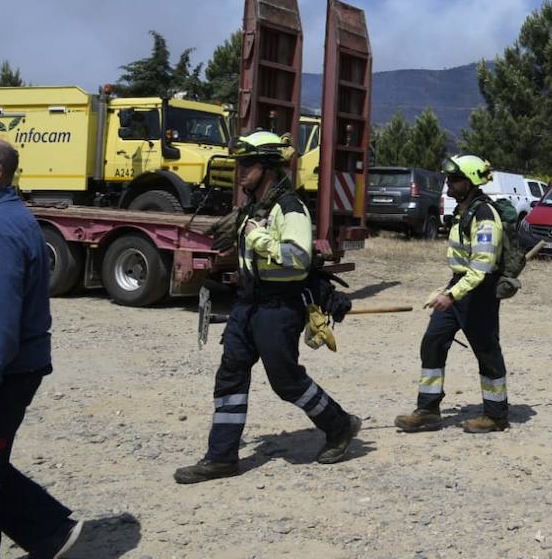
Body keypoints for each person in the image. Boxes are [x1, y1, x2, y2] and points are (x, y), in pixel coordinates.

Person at [174, 130, 361, 483]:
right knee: (230, 374)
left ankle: (339, 426)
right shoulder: (253, 207)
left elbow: (299, 259)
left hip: (279, 307)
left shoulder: (291, 209)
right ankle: (221, 457)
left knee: (286, 382)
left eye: (248, 163)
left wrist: (260, 240)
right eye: (239, 163)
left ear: (268, 167)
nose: (240, 169)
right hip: (248, 304)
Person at [0, 138, 83, 559]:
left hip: (8, 371)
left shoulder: (2, 227)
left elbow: (1, 318)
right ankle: (47, 528)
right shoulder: (11, 217)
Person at [395, 154, 511, 434]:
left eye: (456, 179)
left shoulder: (485, 215)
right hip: (460, 286)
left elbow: (481, 268)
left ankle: (496, 415)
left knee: (486, 351)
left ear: (470, 181)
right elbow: (464, 266)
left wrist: (452, 295)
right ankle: (428, 411)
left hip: (479, 292)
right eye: (449, 178)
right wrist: (448, 289)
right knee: (433, 341)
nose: (449, 183)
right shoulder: (465, 210)